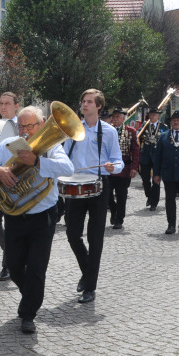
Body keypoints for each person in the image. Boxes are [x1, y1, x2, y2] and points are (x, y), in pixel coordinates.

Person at [0, 105, 74, 331]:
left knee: (36, 268)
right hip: (15, 215)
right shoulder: (8, 146)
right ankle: (31, 294)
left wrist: (38, 162)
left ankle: (28, 314)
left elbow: (68, 168)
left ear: (41, 125)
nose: (24, 131)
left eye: (29, 126)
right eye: (21, 126)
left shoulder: (51, 147)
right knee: (13, 264)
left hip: (44, 217)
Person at [64, 90, 122, 304]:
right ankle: (88, 271)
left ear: (98, 106)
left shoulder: (108, 131)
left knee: (95, 237)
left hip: (99, 185)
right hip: (75, 185)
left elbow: (118, 161)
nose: (84, 105)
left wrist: (112, 166)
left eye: (89, 102)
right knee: (71, 234)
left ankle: (90, 287)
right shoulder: (71, 129)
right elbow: (64, 157)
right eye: (83, 101)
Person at [0, 91, 19, 282]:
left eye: (7, 103)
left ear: (16, 106)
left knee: (10, 223)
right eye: (1, 103)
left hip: (15, 181)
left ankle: (7, 265)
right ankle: (11, 254)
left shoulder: (21, 125)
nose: (3, 107)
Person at [107, 106, 140, 230]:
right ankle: (114, 211)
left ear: (123, 118)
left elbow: (135, 150)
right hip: (109, 169)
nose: (115, 119)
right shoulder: (107, 130)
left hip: (124, 168)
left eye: (118, 117)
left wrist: (134, 168)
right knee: (108, 195)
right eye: (113, 116)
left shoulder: (130, 131)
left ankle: (119, 219)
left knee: (121, 195)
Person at [137, 107, 166, 211]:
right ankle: (149, 195)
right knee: (145, 179)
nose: (152, 116)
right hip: (145, 156)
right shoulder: (144, 126)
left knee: (156, 180)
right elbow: (138, 136)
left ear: (158, 116)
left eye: (154, 114)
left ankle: (154, 202)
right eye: (151, 114)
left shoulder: (163, 127)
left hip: (158, 157)